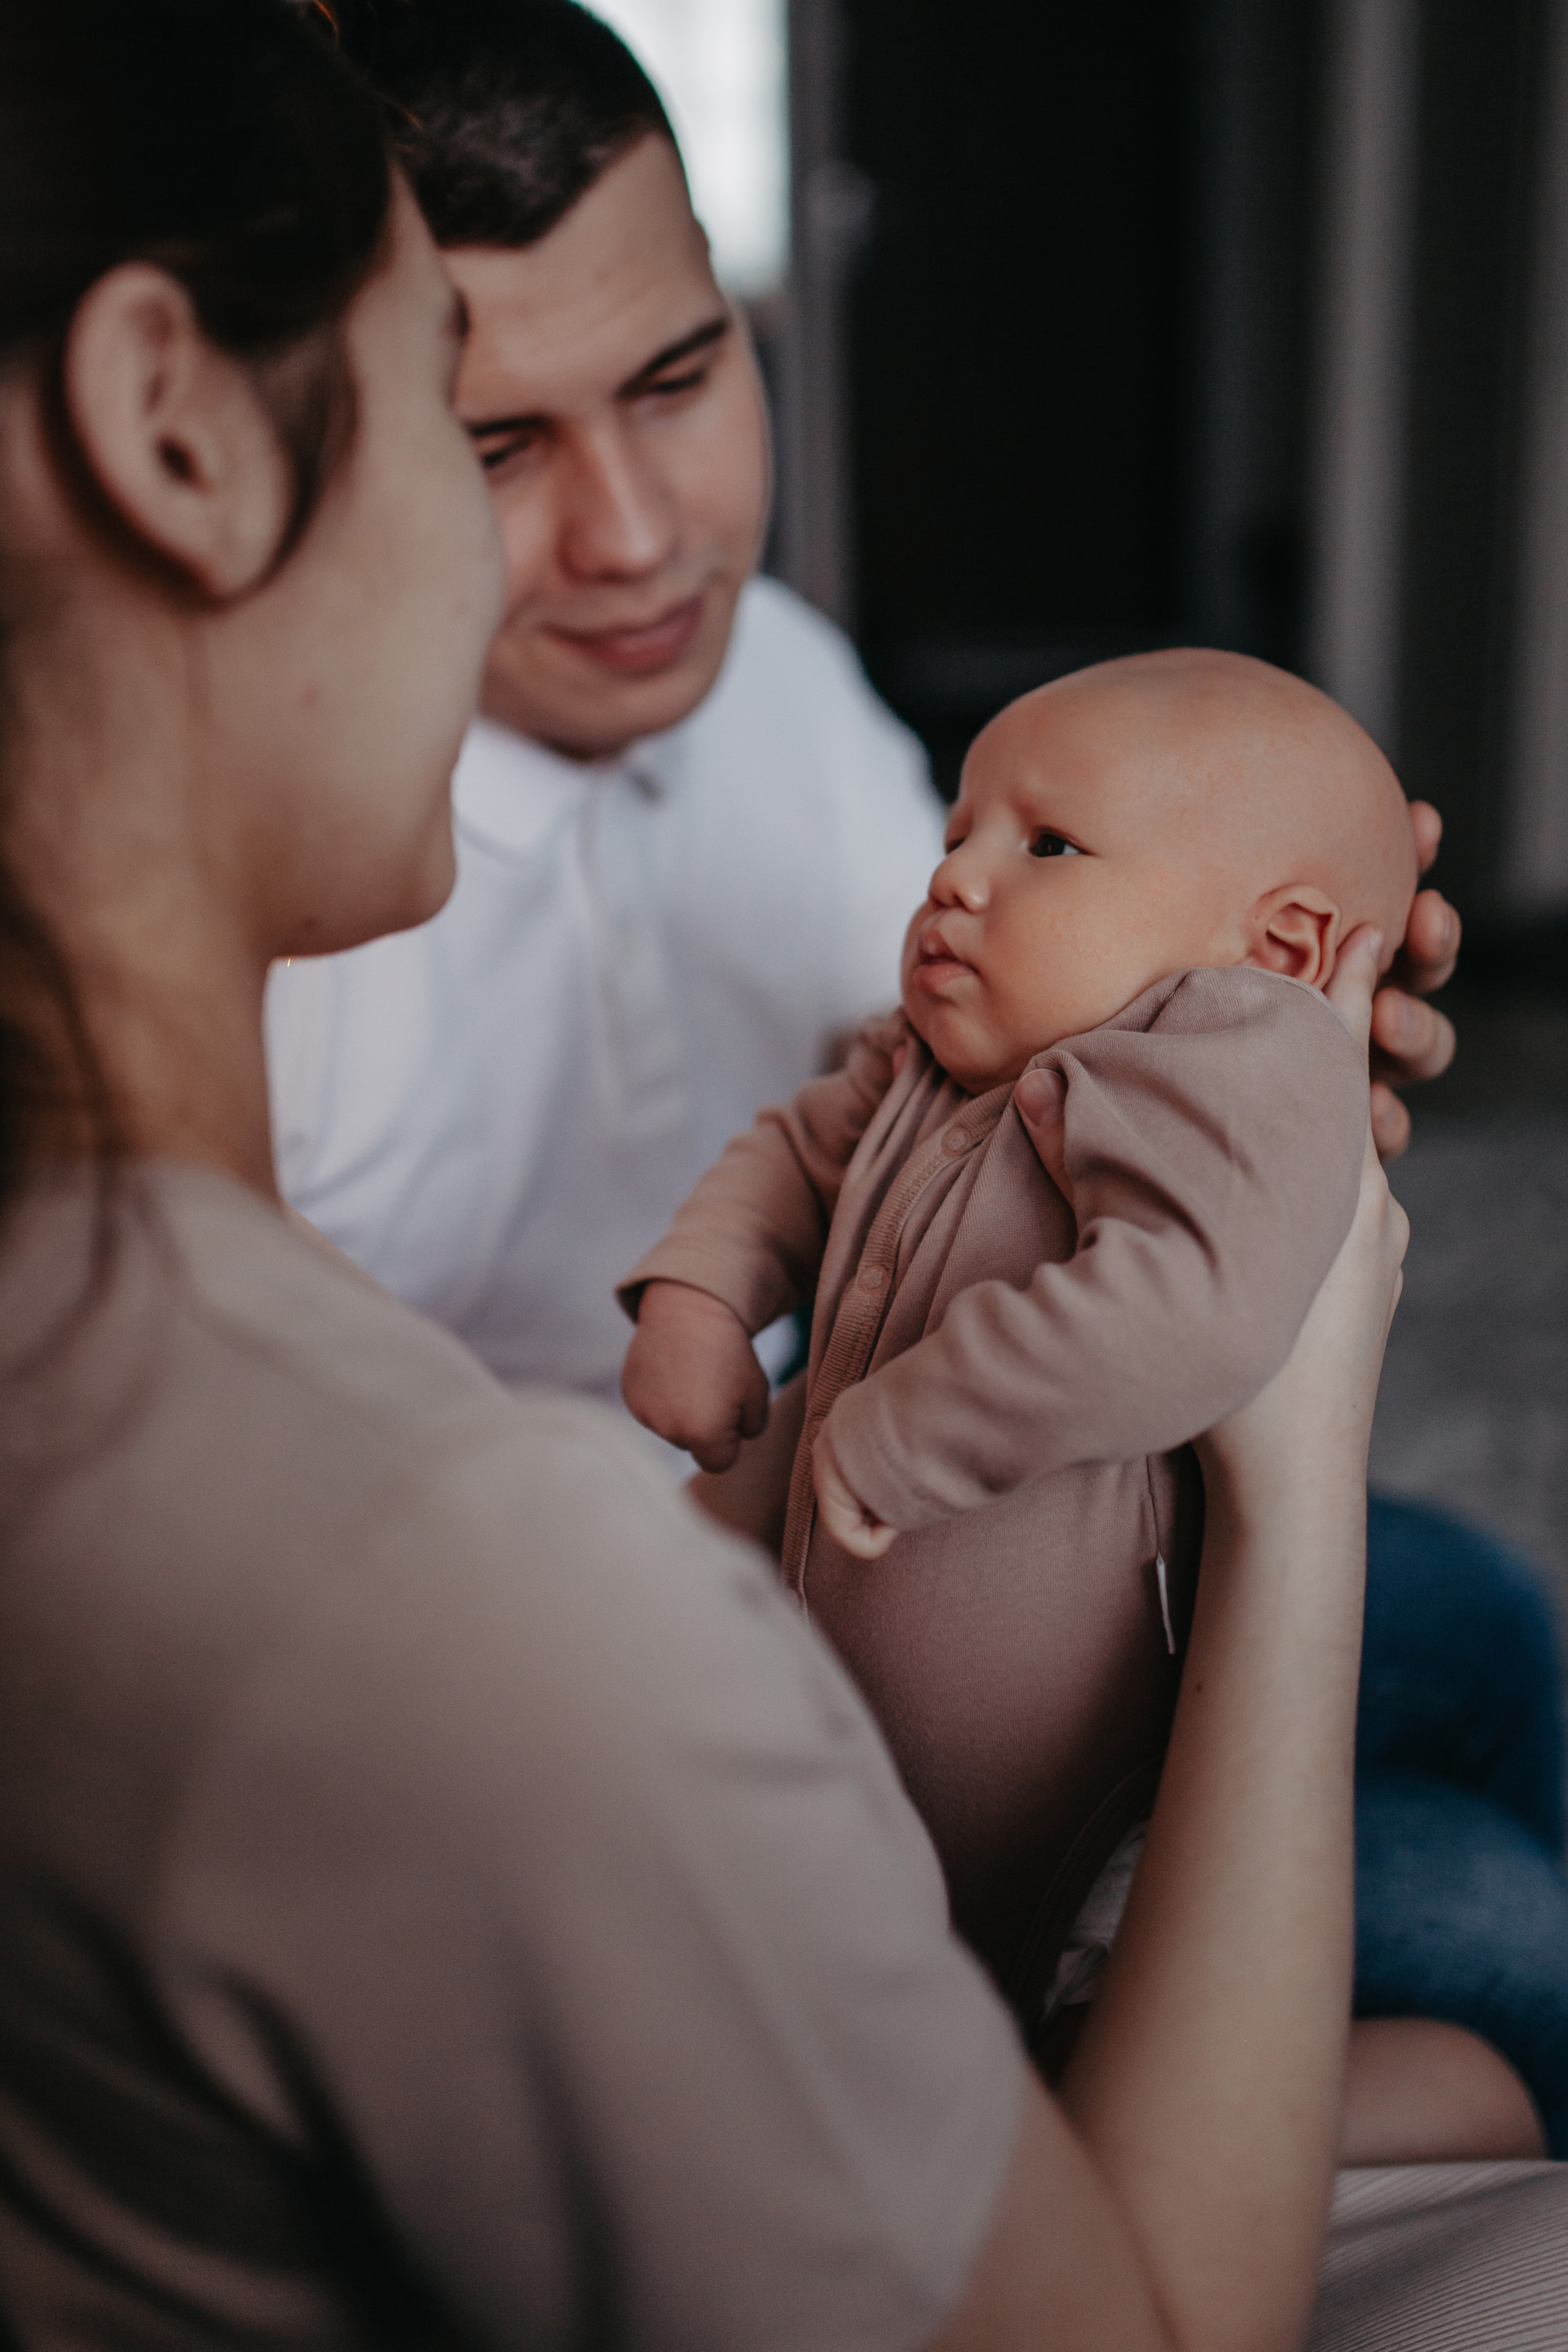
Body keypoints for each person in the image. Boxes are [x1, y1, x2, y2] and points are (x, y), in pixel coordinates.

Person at [4, 6, 1566, 2347]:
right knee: (1477, 1945)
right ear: (173, 437)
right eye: (460, 411)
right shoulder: (436, 1539)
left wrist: (1204, 995)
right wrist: (1301, 1446)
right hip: (804, 1613)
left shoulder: (780, 707)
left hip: (936, 1557)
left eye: (679, 372)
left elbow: (931, 1060)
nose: (615, 544)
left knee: (1493, 1680)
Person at [619, 649, 1414, 2016]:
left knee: (1034, 2017)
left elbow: (1187, 1308)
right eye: (956, 832)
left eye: (1046, 842)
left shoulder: (1222, 1051)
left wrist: (906, 1434)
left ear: (1277, 950)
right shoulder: (920, 1056)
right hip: (832, 1683)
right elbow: (793, 1156)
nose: (956, 878)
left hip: (1059, 1786)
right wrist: (700, 1298)